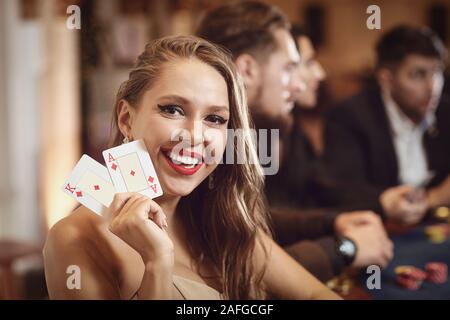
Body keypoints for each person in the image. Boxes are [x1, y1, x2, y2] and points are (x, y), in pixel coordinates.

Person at [43, 35, 339, 300]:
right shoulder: (76, 237)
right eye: (172, 109)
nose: (196, 136)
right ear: (126, 119)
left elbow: (315, 294)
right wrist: (157, 263)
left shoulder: (224, 220)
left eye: (215, 119)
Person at [197, 1, 392, 282]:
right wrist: (345, 248)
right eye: (289, 67)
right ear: (247, 69)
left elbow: (254, 222)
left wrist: (332, 222)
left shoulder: (248, 134)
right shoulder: (209, 144)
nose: (299, 84)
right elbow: (240, 273)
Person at [324, 25, 450, 225]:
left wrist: (431, 199)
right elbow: (343, 192)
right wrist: (428, 198)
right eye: (418, 75)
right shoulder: (348, 117)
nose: (432, 86)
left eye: (436, 72)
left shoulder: (445, 110)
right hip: (380, 228)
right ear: (386, 79)